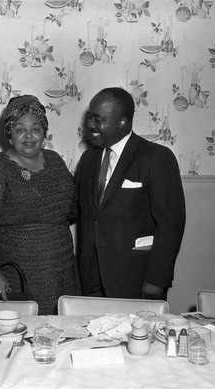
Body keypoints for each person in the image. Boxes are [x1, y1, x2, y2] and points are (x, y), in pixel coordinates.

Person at [71, 87, 186, 300]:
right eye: (89, 118)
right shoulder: (88, 160)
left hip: (137, 279)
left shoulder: (156, 157)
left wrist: (156, 279)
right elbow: (75, 210)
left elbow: (171, 224)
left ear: (122, 123)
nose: (90, 125)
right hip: (91, 279)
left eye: (98, 119)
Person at [0, 95, 80, 315]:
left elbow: (69, 206)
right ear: (9, 134)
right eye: (20, 129)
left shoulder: (55, 161)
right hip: (20, 271)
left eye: (36, 129)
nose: (29, 136)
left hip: (62, 267)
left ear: (44, 132)